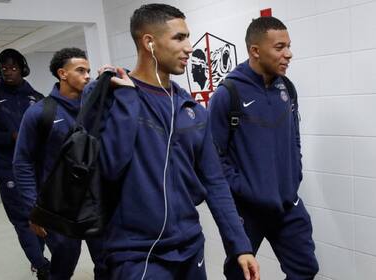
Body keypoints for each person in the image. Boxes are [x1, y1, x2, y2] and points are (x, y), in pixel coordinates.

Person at [83, 4, 260, 280]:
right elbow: (109, 168)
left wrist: (240, 246)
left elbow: (214, 181)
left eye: (188, 37)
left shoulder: (191, 108)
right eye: (179, 38)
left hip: (189, 247)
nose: (189, 47)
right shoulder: (110, 93)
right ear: (149, 42)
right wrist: (128, 101)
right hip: (135, 253)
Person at [208, 16, 319, 279]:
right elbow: (214, 157)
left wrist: (294, 176)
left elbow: (294, 139)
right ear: (255, 50)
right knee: (240, 274)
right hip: (248, 209)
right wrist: (245, 189)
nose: (288, 54)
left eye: (288, 46)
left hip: (287, 204)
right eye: (279, 47)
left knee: (306, 268)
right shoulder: (228, 93)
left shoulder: (287, 89)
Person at [13, 47, 102, 280]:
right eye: (80, 70)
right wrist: (34, 211)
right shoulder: (39, 113)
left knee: (107, 262)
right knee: (64, 265)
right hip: (58, 207)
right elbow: (22, 163)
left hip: (96, 203)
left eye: (88, 71)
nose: (87, 76)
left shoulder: (95, 109)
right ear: (63, 73)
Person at [0, 48, 50, 279]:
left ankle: (39, 258)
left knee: (40, 217)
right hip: (9, 168)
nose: (8, 72)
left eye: (13, 67)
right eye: (4, 68)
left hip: (38, 168)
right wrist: (10, 138)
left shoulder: (37, 97)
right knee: (23, 219)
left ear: (22, 69)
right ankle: (41, 265)